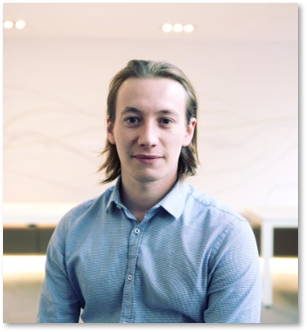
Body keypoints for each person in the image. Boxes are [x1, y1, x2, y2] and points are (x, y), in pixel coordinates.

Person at [37, 59, 262, 323]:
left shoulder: (227, 235)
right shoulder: (72, 229)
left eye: (165, 120)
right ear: (110, 128)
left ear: (188, 131)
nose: (148, 138)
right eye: (133, 119)